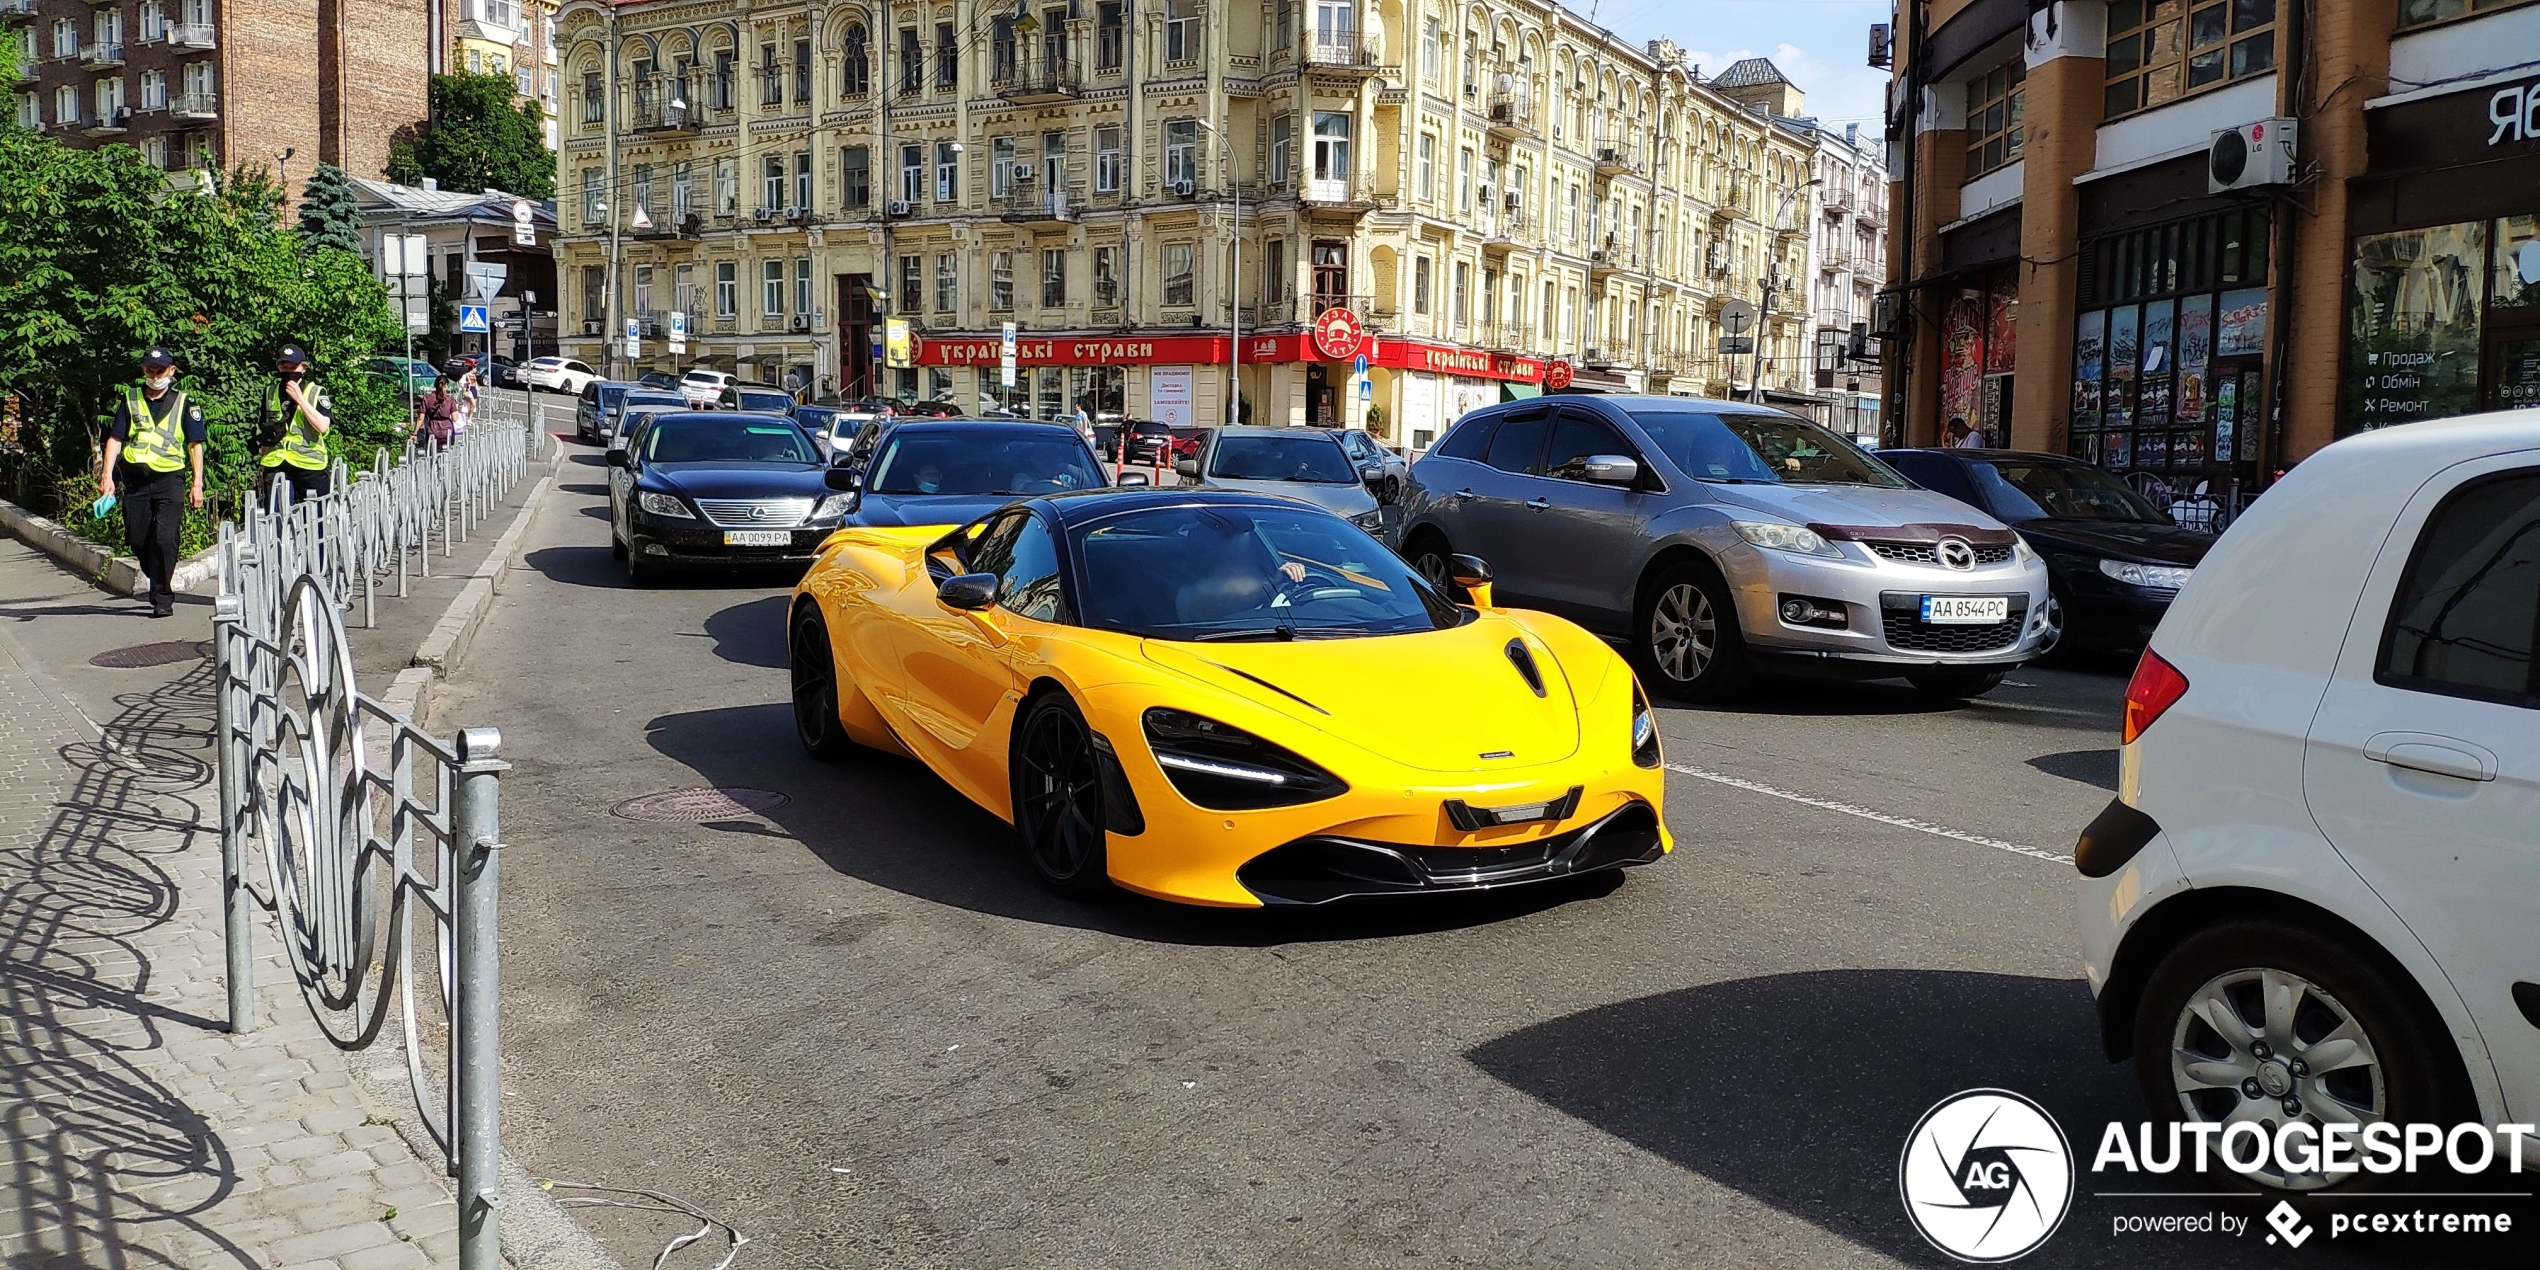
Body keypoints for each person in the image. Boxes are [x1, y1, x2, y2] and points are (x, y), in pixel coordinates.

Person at [97, 347, 207, 618]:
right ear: (143, 370)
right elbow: (115, 439)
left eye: (159, 370)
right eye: (149, 370)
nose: (154, 375)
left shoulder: (184, 402)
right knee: (137, 538)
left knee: (165, 537)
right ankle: (157, 576)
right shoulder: (131, 399)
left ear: (171, 370)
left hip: (170, 478)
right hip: (135, 480)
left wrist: (197, 484)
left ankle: (162, 596)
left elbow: (195, 445)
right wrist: (106, 475)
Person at [256, 343, 336, 503]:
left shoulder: (317, 392)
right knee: (277, 519)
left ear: (303, 368)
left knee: (314, 521)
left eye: (293, 367)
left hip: (309, 465)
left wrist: (300, 399)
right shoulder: (270, 392)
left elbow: (322, 426)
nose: (289, 372)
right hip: (276, 462)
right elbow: (264, 425)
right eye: (284, 367)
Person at [414, 375, 461, 445]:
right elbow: (455, 418)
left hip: (432, 429)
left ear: (435, 385)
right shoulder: (450, 399)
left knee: (432, 452)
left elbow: (420, 418)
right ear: (446, 385)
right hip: (447, 430)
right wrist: (457, 408)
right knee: (447, 452)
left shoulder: (427, 398)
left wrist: (414, 433)